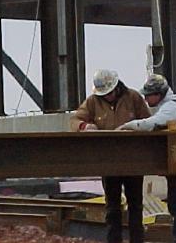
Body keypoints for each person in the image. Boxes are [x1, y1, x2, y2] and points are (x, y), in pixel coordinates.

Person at [70, 69, 151, 243]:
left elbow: (148, 122)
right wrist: (84, 126)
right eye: (104, 94)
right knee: (112, 207)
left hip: (133, 162)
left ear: (116, 87)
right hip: (108, 162)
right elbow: (75, 120)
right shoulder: (93, 101)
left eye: (109, 93)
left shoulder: (133, 98)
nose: (107, 97)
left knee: (135, 206)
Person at [117, 74, 176, 243]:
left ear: (158, 94)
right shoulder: (169, 106)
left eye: (148, 95)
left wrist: (128, 125)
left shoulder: (170, 108)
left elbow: (150, 124)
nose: (145, 99)